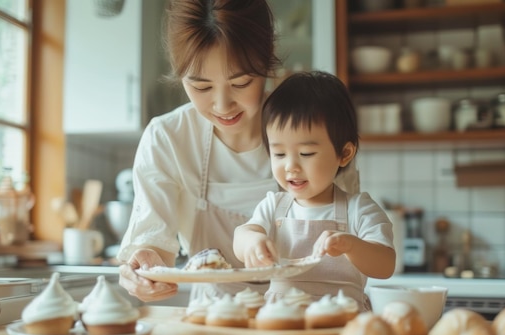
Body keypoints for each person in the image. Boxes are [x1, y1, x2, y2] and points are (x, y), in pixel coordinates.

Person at [116, 0, 359, 302]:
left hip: (307, 311)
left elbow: (349, 235)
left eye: (241, 82)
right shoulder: (169, 138)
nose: (222, 106)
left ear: (267, 64)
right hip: (214, 316)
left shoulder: (311, 130)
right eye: (201, 87)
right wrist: (143, 267)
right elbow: (155, 245)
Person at [233, 71, 395, 309]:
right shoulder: (274, 206)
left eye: (306, 154)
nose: (291, 166)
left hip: (342, 325)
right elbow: (242, 235)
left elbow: (386, 265)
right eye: (278, 153)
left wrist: (351, 245)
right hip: (282, 321)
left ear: (344, 154)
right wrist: (252, 241)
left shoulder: (359, 209)